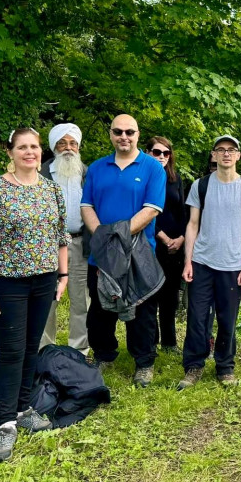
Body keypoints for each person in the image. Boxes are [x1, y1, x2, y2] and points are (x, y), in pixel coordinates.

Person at [0, 128, 70, 461]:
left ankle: (22, 408)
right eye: (22, 147)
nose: (29, 152)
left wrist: (62, 275)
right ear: (10, 151)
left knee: (32, 347)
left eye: (34, 146)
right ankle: (5, 424)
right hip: (8, 283)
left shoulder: (52, 190)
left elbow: (62, 237)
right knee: (11, 350)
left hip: (44, 281)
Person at [81, 114, 167, 386]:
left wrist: (117, 235)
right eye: (118, 132)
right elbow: (86, 206)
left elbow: (152, 209)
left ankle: (144, 363)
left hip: (138, 253)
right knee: (99, 309)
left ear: (138, 134)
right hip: (102, 253)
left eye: (130, 132)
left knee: (141, 309)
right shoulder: (96, 167)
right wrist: (102, 235)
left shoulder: (153, 168)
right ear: (111, 134)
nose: (124, 137)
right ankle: (104, 355)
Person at [178, 135, 241, 389]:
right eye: (221, 150)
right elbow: (192, 224)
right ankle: (194, 366)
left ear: (238, 155)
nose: (226, 154)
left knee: (227, 319)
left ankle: (225, 367)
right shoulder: (200, 186)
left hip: (233, 265)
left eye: (231, 150)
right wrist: (188, 261)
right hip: (202, 262)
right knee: (197, 317)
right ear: (213, 155)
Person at [39, 123, 90, 356]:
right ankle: (43, 348)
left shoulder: (89, 173)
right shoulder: (40, 173)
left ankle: (79, 349)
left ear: (78, 147)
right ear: (54, 147)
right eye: (62, 143)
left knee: (81, 299)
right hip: (48, 246)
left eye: (73, 143)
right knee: (47, 298)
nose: (68, 148)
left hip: (80, 244)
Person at [146, 136, 187, 355]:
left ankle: (170, 342)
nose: (161, 156)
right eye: (156, 152)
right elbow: (144, 213)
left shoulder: (175, 179)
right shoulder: (143, 178)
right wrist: (162, 237)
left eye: (166, 153)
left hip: (175, 246)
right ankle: (151, 341)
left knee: (170, 296)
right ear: (148, 153)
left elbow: (182, 211)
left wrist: (180, 238)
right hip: (152, 244)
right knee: (152, 293)